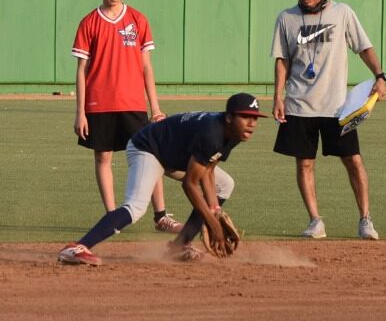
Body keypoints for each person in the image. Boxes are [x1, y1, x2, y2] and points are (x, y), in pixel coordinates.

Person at [58, 93, 267, 266]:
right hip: (147, 147)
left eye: (255, 118)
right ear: (230, 117)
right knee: (136, 207)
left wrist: (214, 210)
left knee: (225, 184)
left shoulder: (234, 133)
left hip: (175, 154)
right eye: (245, 116)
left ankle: (179, 246)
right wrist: (213, 224)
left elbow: (208, 170)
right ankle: (77, 247)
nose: (252, 123)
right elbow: (190, 184)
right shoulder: (212, 133)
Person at [271, 0, 385, 240]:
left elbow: (364, 47)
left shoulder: (342, 12)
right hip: (299, 104)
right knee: (304, 163)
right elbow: (282, 60)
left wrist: (380, 76)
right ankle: (315, 221)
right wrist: (277, 96)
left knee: (353, 161)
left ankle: (365, 220)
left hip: (337, 106)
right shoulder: (286, 18)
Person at [72, 0, 181, 233]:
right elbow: (81, 70)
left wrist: (155, 108)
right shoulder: (89, 22)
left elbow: (146, 67)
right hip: (99, 102)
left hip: (133, 103)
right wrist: (80, 112)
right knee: (103, 157)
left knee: (152, 156)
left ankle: (161, 215)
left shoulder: (138, 20)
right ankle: (112, 218)